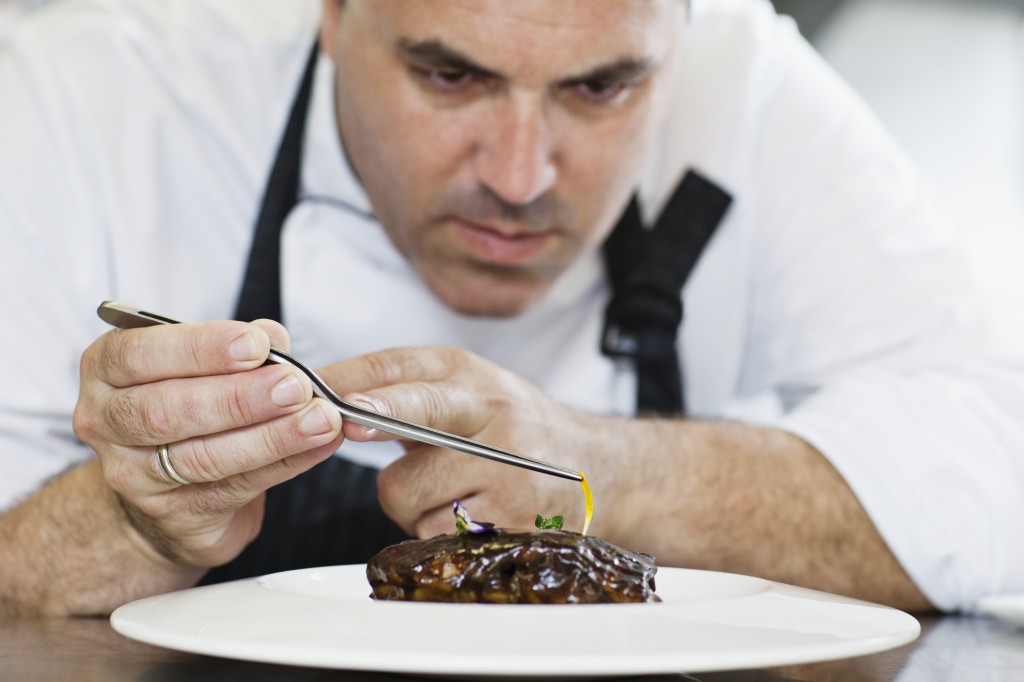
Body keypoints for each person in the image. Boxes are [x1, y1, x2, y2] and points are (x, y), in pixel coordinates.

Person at [1, 0, 1021, 617]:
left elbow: (996, 464)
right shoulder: (87, 98)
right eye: (450, 74)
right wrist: (135, 520)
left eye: (602, 88)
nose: (522, 176)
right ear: (331, 13)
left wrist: (607, 467)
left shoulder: (746, 81)